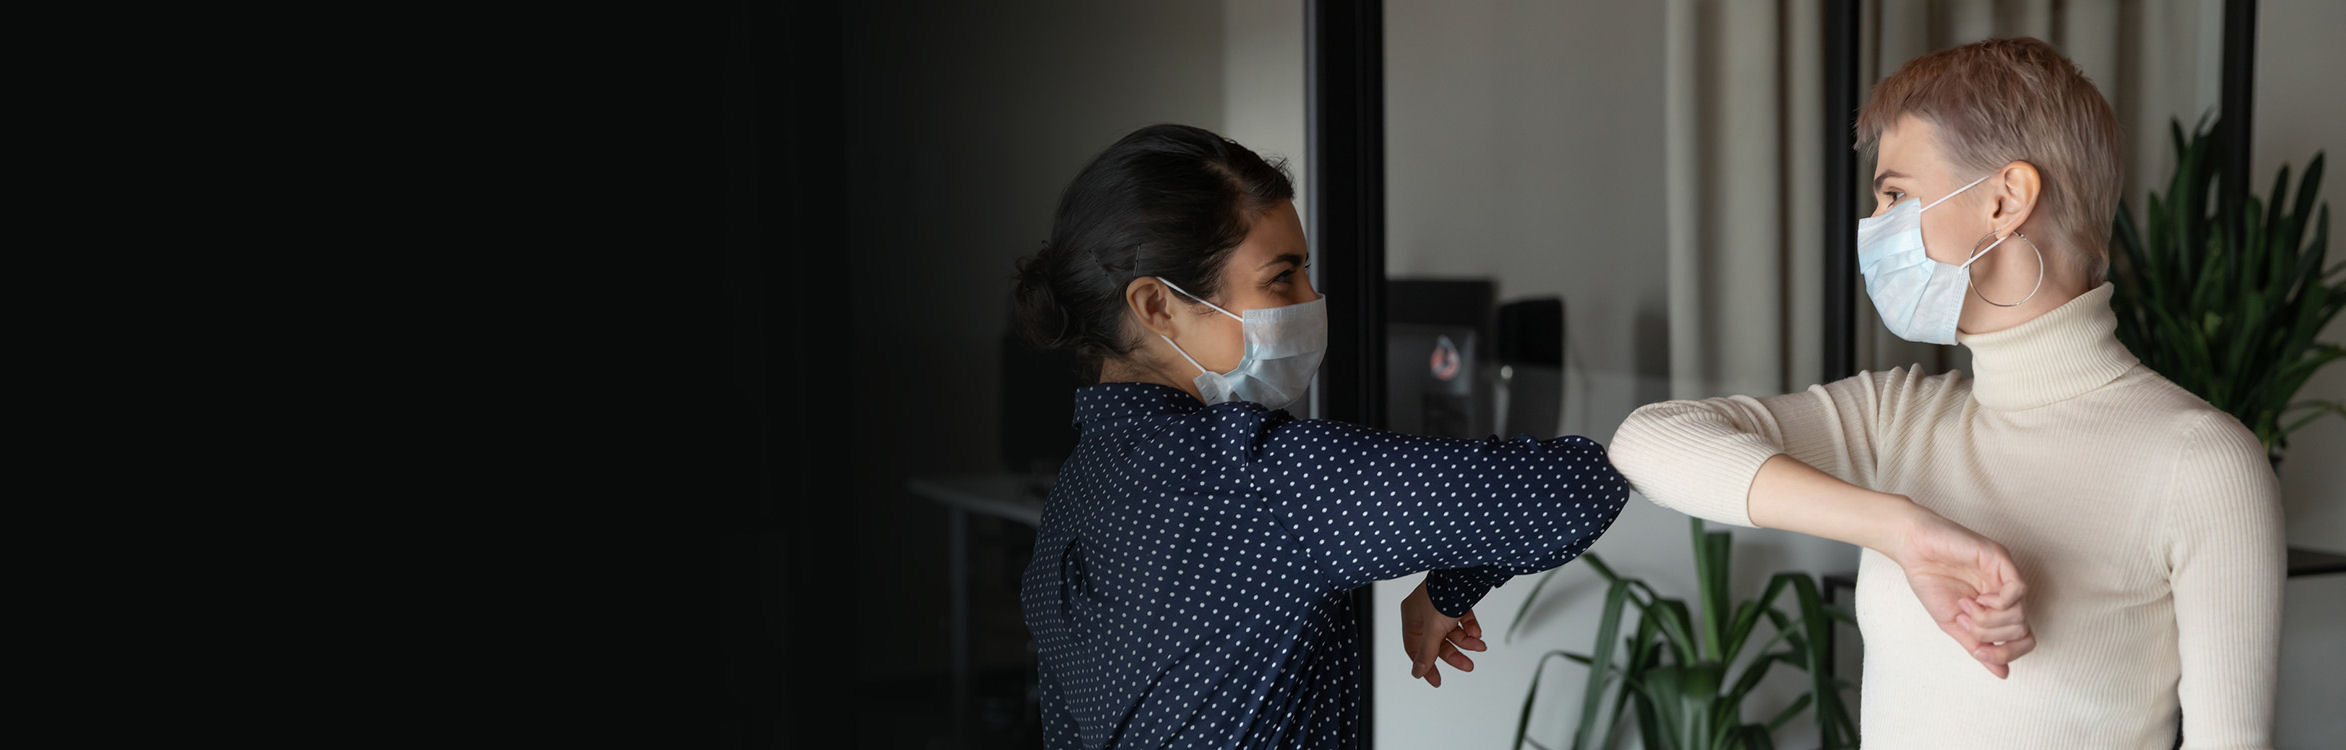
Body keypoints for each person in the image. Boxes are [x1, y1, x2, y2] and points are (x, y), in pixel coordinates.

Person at [1609, 37, 2282, 748]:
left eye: (1896, 193)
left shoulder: (2201, 462)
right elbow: (1649, 443)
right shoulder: (1897, 418)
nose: (1873, 227)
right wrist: (1899, 530)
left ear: (2006, 199)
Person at [1013, 124, 1630, 748]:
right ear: (1157, 306)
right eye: (1282, 278)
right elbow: (1577, 488)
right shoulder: (1253, 475)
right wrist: (1451, 587)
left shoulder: (1074, 495)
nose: (1312, 300)